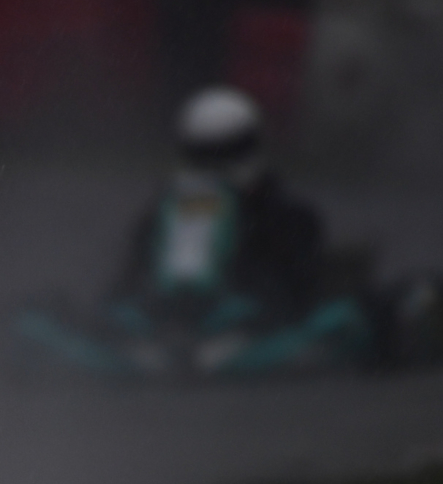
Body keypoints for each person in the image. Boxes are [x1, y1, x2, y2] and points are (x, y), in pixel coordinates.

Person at [110, 86, 328, 328]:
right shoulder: (161, 217)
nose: (213, 166)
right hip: (160, 321)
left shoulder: (284, 217)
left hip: (254, 325)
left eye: (222, 153)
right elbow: (128, 280)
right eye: (204, 155)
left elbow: (295, 292)